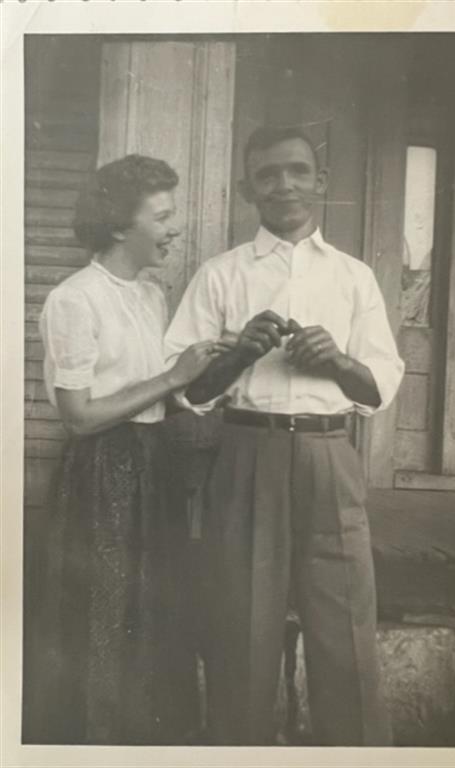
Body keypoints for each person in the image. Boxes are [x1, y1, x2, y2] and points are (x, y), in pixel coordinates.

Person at [164, 125, 405, 746]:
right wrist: (239, 354)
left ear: (319, 182)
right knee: (242, 631)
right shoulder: (221, 275)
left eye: (298, 170)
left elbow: (377, 388)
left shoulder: (353, 277)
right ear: (249, 190)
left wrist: (338, 362)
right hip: (247, 455)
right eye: (268, 175)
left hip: (330, 456)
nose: (285, 184)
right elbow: (185, 390)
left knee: (346, 629)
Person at [34, 154, 221, 745]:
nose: (175, 227)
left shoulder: (149, 294)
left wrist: (223, 360)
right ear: (120, 226)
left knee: (156, 616)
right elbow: (79, 415)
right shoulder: (75, 300)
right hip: (102, 472)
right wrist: (171, 379)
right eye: (163, 216)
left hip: (154, 462)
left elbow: (168, 386)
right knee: (103, 619)